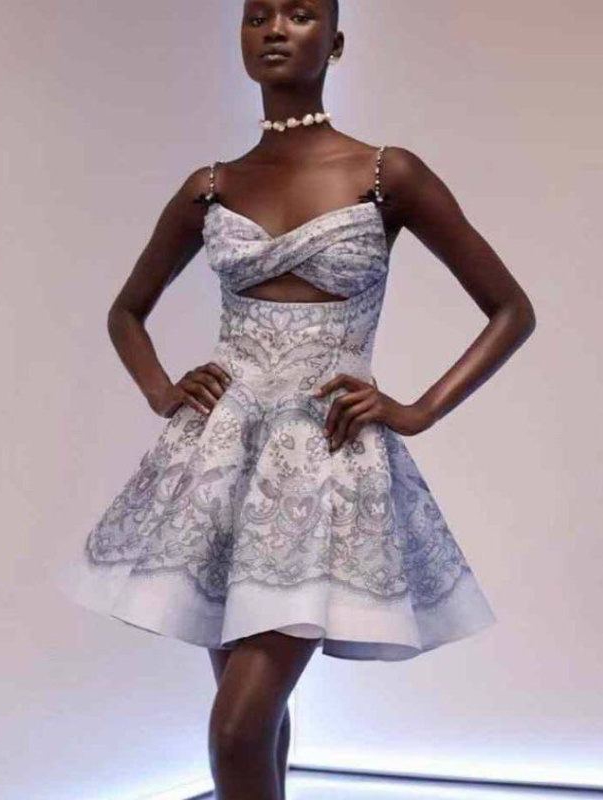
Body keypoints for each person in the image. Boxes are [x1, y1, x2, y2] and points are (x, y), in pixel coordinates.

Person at [58, 1, 536, 798]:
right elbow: (126, 311)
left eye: (300, 14)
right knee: (255, 718)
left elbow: (510, 310)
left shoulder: (387, 174)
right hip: (219, 465)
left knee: (237, 728)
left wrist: (417, 409)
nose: (275, 28)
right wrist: (161, 390)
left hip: (325, 467)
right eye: (256, 16)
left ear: (334, 42)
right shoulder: (210, 187)